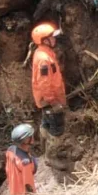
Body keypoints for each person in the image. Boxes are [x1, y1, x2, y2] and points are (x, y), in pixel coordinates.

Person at [30, 24, 68, 173]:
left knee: (46, 125)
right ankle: (51, 158)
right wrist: (54, 102)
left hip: (46, 100)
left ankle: (44, 150)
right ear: (44, 40)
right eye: (52, 37)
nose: (54, 39)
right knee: (56, 129)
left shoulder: (43, 53)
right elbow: (44, 84)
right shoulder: (44, 59)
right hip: (50, 100)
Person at [5, 123, 38, 195]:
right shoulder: (25, 163)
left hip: (14, 193)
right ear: (26, 140)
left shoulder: (11, 150)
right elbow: (28, 185)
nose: (33, 137)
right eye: (31, 136)